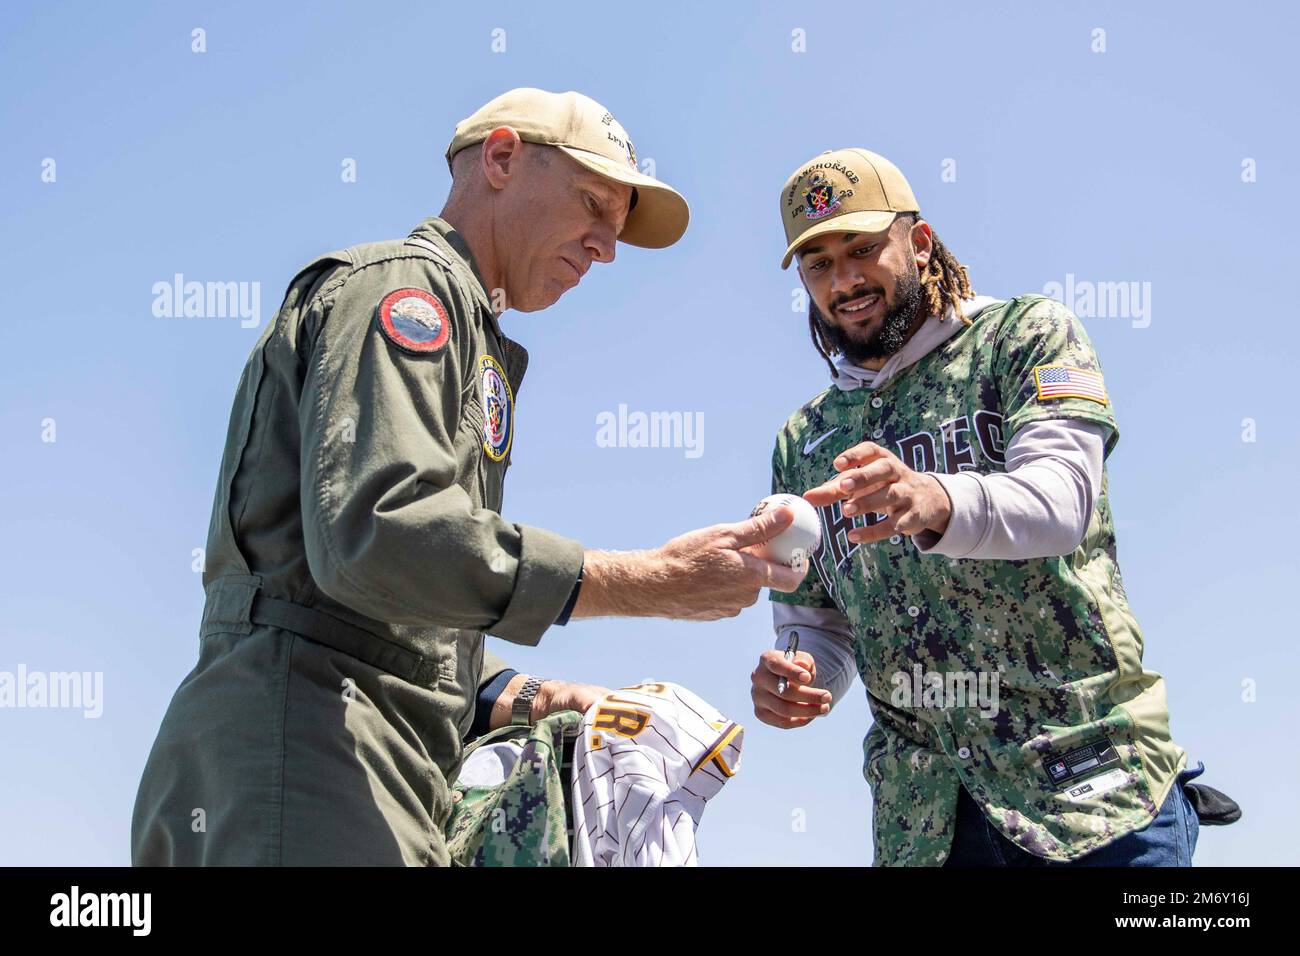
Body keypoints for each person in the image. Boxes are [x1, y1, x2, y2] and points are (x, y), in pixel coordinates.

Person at [132, 88, 804, 866]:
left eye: (617, 229)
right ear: (501, 158)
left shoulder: (468, 328)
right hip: (310, 758)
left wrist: (528, 695)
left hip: (365, 761)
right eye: (592, 205)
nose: (605, 248)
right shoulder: (405, 295)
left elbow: (400, 608)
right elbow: (376, 537)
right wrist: (650, 580)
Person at [749, 147, 1211, 866]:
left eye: (864, 249)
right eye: (819, 265)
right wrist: (802, 674)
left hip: (1090, 795)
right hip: (927, 826)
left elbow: (1063, 503)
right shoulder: (802, 440)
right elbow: (822, 623)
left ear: (921, 243)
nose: (844, 281)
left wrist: (934, 498)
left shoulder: (1024, 336)